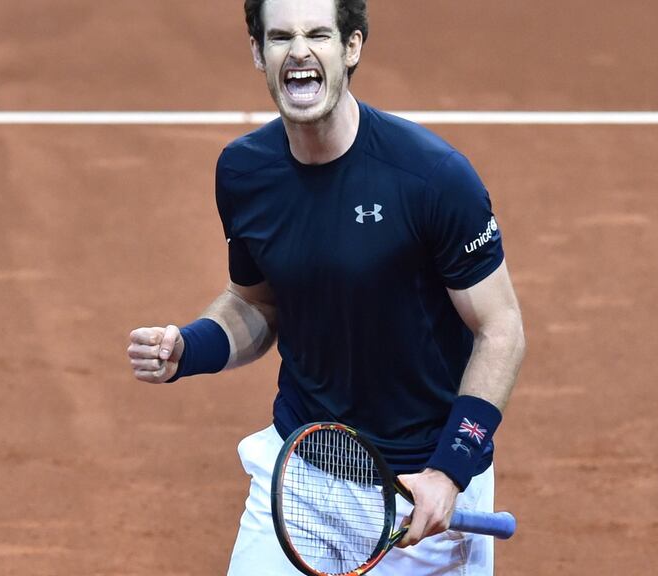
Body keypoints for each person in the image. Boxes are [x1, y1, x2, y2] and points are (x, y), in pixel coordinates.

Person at [127, 0, 526, 573]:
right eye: (280, 36)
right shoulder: (244, 172)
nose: (299, 51)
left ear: (353, 48)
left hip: (419, 488)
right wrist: (190, 346)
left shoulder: (433, 179)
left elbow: (501, 329)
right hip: (302, 469)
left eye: (318, 34)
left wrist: (450, 470)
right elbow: (256, 302)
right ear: (258, 54)